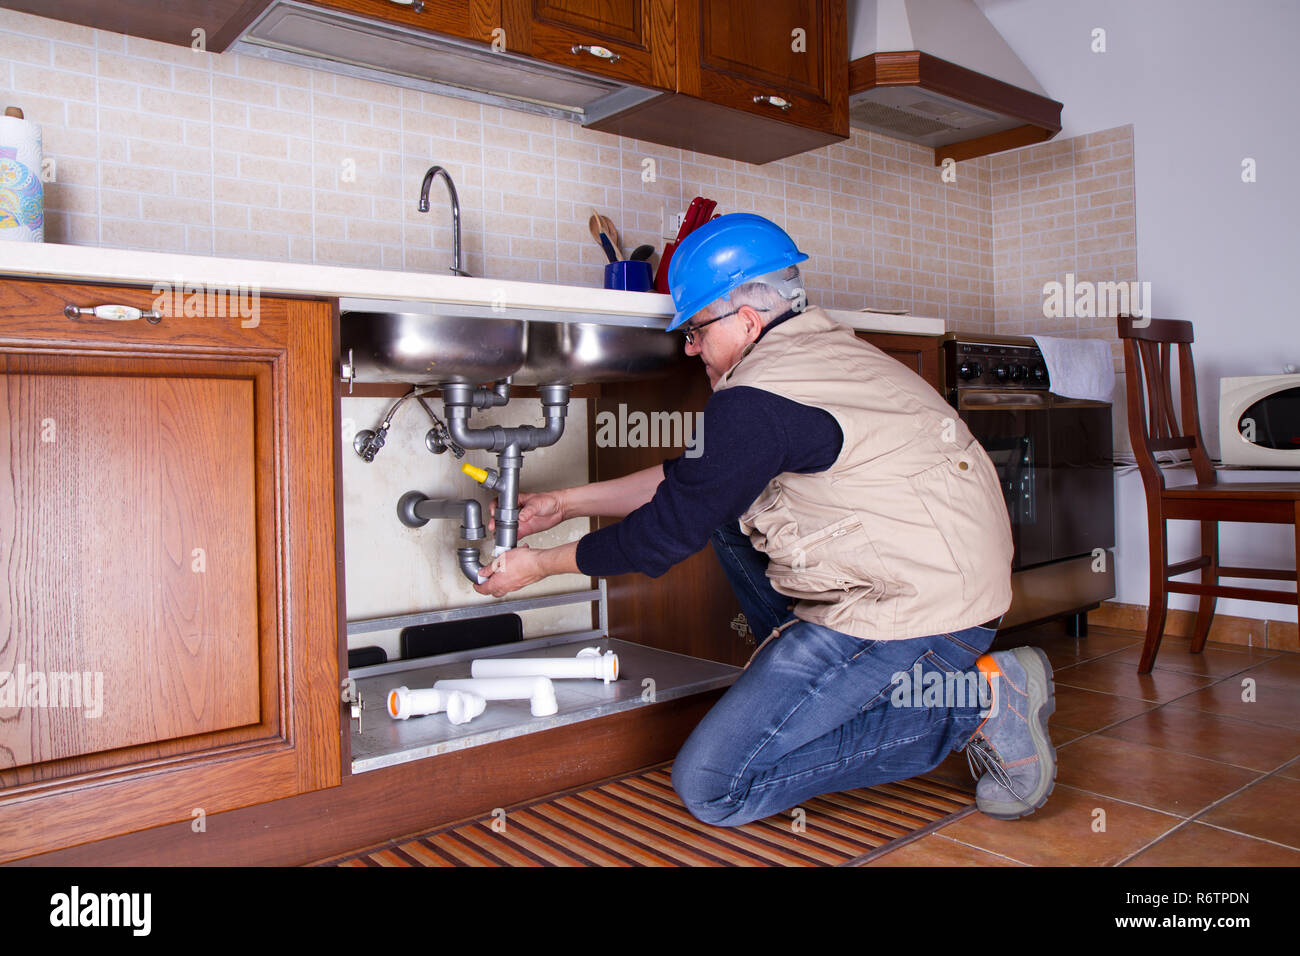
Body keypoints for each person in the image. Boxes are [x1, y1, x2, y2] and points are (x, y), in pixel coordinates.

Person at [475, 213, 1057, 826]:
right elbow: (697, 482)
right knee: (722, 509)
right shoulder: (818, 353)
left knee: (715, 786)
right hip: (935, 581)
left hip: (923, 616)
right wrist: (564, 504)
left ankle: (984, 701)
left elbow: (663, 536)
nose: (690, 346)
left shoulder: (759, 399)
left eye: (695, 330)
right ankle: (818, 673)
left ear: (746, 321)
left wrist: (537, 566)